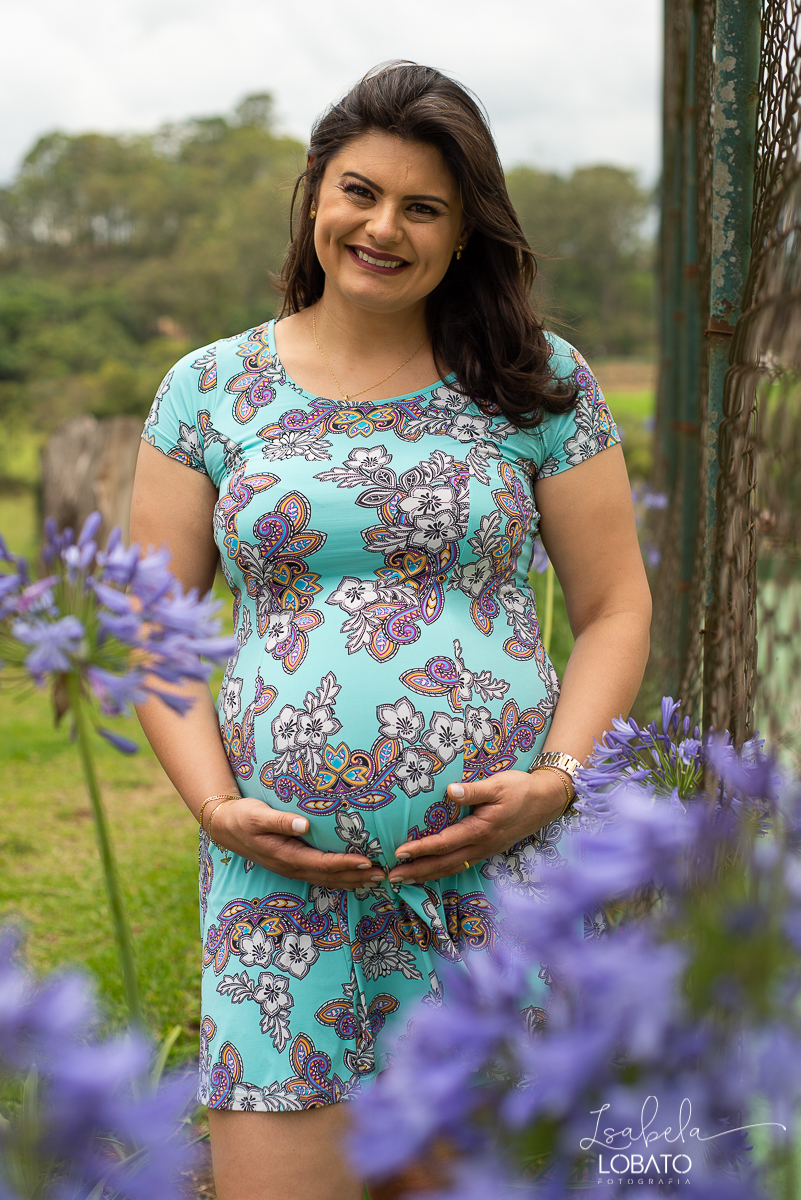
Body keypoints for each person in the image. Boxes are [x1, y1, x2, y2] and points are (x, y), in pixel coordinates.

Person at [131, 61, 651, 1200]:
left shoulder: (535, 382)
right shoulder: (209, 391)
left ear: (466, 233)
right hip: (281, 897)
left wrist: (559, 779)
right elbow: (150, 637)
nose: (382, 227)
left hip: (498, 884)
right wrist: (217, 810)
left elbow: (616, 607)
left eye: (423, 208)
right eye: (360, 192)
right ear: (316, 192)